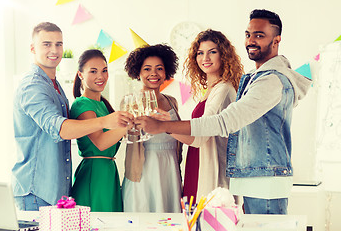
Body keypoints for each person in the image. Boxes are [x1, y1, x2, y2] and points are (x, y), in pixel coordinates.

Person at [136, 9, 312, 214]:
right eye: (248, 35)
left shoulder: (270, 80)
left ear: (276, 40)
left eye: (259, 35)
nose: (251, 40)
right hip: (255, 176)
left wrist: (163, 126)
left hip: (263, 177)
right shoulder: (255, 78)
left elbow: (223, 122)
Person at [12, 22, 133, 211]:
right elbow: (61, 129)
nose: (54, 50)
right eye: (47, 44)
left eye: (59, 44)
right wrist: (107, 121)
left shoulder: (55, 86)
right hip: (36, 192)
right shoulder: (32, 86)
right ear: (32, 48)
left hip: (56, 191)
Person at [155, 29, 243, 204]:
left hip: (210, 167)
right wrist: (168, 125)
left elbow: (200, 136)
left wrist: (166, 126)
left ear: (223, 55)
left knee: (208, 218)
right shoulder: (211, 89)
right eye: (200, 53)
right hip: (197, 162)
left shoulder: (224, 89)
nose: (205, 58)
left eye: (212, 52)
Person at [122, 44, 182, 213]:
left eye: (159, 68)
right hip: (144, 169)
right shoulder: (131, 101)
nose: (153, 74)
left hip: (170, 168)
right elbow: (126, 136)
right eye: (147, 69)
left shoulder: (172, 101)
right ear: (138, 72)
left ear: (166, 72)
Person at [70, 49, 129, 212]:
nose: (100, 76)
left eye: (104, 71)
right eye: (93, 71)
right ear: (80, 75)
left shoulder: (104, 105)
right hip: (94, 175)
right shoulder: (82, 104)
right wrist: (130, 123)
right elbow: (101, 142)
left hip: (108, 172)